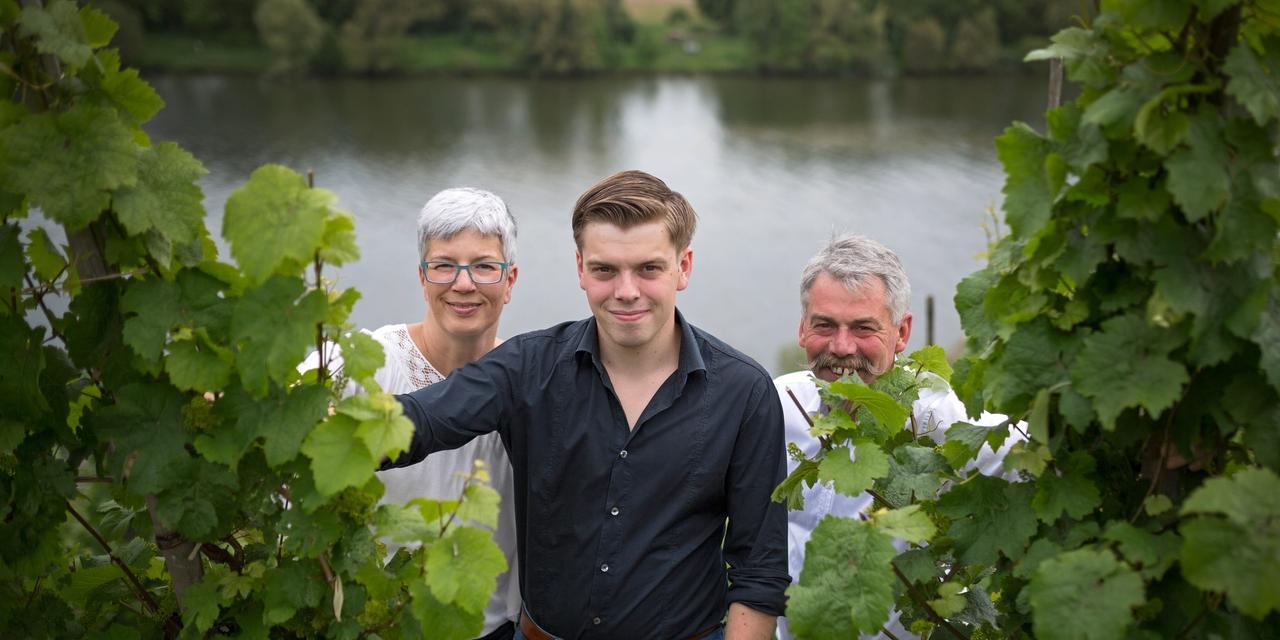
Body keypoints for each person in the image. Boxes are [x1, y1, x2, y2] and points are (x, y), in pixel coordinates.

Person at [385, 170, 790, 640]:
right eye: (605, 270)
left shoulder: (745, 393)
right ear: (580, 268)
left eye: (648, 269)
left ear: (684, 267)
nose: (626, 291)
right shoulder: (526, 367)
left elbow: (758, 570)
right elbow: (421, 422)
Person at [773, 235, 1016, 640]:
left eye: (864, 327)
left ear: (902, 332)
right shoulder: (777, 405)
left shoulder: (932, 417)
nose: (841, 346)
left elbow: (1020, 450)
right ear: (802, 328)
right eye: (824, 325)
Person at [306, 187, 522, 640]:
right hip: (374, 623)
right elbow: (280, 411)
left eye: (484, 266)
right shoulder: (366, 362)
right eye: (444, 265)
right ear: (422, 277)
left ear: (510, 279)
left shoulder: (529, 384)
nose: (463, 284)